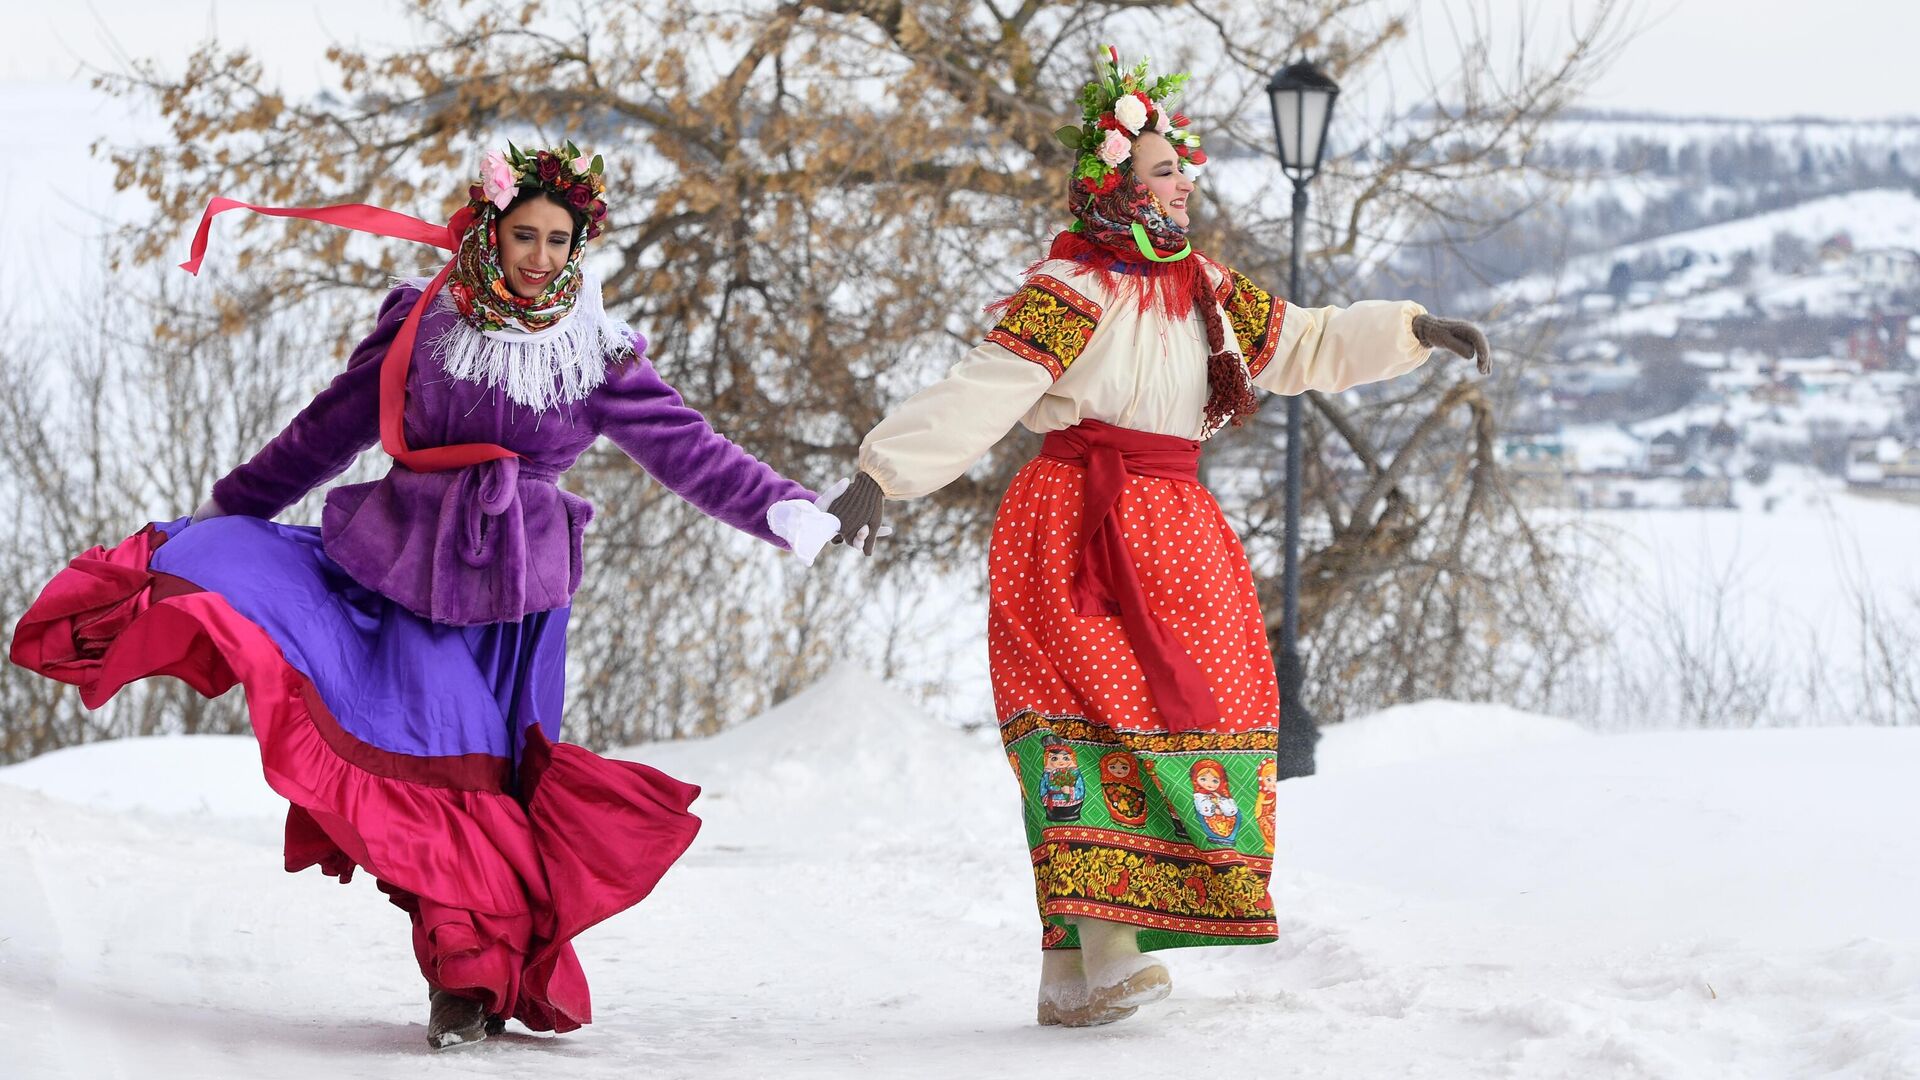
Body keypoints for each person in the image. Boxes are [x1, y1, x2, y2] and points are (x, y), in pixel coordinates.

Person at [8, 142, 844, 1049]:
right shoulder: (425, 324)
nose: (539, 257)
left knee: (483, 788)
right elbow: (322, 435)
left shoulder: (596, 355)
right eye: (524, 234)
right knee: (435, 776)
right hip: (398, 578)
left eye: (560, 241)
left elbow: (690, 450)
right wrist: (225, 511)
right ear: (488, 229)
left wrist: (782, 509)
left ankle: (475, 982)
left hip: (514, 609)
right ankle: (465, 987)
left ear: (578, 247)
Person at [826, 48, 1492, 1027]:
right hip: (1074, 522)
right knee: (1087, 726)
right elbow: (988, 389)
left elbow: (1301, 343)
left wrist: (1412, 331)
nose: (1184, 183)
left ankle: (1069, 973)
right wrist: (882, 474)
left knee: (1211, 709)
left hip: (1178, 529)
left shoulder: (1204, 286)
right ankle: (1107, 943)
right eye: (1162, 169)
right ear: (1114, 185)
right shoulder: (1071, 287)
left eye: (1182, 167)